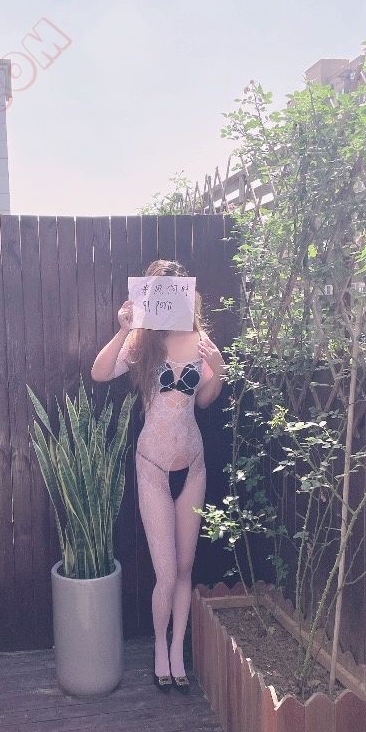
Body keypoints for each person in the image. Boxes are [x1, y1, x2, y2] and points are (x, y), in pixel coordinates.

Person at [91, 260, 225, 694]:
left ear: (186, 295)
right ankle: (159, 649)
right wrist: (123, 327)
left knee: (185, 569)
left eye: (175, 291)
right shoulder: (141, 341)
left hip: (193, 466)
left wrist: (218, 370)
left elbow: (204, 400)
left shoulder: (201, 340)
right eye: (160, 291)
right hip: (152, 465)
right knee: (165, 574)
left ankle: (177, 650)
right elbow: (99, 372)